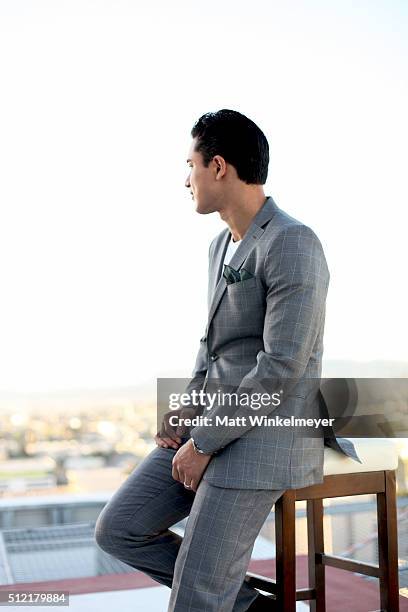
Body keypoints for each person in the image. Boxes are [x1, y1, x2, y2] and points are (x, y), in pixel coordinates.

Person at [94, 109, 360, 611]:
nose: (185, 178)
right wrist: (188, 412)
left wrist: (204, 441)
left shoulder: (293, 242)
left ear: (217, 166)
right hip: (216, 422)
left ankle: (212, 593)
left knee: (194, 593)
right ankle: (247, 604)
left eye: (189, 164)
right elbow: (211, 348)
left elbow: (281, 367)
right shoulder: (219, 245)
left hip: (269, 434)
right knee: (120, 529)